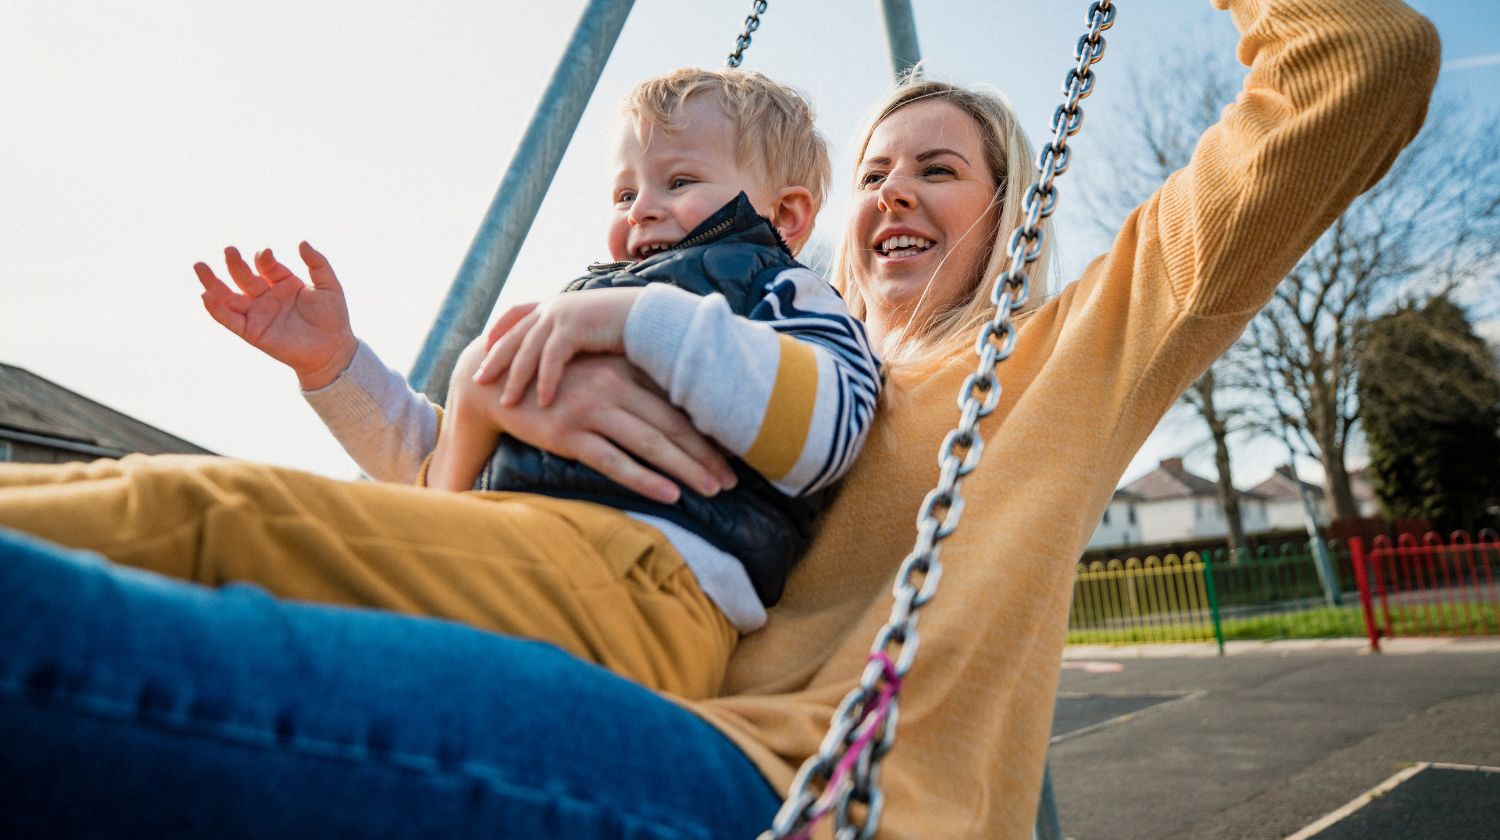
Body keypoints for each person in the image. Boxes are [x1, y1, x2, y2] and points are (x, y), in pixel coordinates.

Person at [0, 2, 1440, 837]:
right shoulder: (735, 347)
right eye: (877, 168)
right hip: (598, 693)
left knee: (108, 634)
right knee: (171, 554)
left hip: (790, 791)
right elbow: (475, 508)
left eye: (939, 169)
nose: (896, 194)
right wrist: (390, 386)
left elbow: (1359, 65)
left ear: (1012, 212)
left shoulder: (1057, 353)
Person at [183, 67, 880, 699]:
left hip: (644, 585)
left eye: (680, 182)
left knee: (237, 524)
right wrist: (335, 367)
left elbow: (830, 426)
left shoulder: (777, 291)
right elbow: (438, 462)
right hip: (509, 545)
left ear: (785, 217)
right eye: (624, 190)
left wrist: (640, 316)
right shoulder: (582, 310)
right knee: (230, 526)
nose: (641, 208)